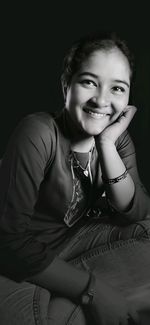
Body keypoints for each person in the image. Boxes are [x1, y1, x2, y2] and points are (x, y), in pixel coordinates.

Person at [0, 30, 150, 325]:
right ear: (66, 84)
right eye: (89, 82)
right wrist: (92, 289)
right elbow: (9, 242)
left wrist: (106, 145)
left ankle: (74, 292)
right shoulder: (38, 131)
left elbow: (137, 211)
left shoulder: (117, 139)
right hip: (15, 255)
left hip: (70, 244)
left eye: (118, 88)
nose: (102, 100)